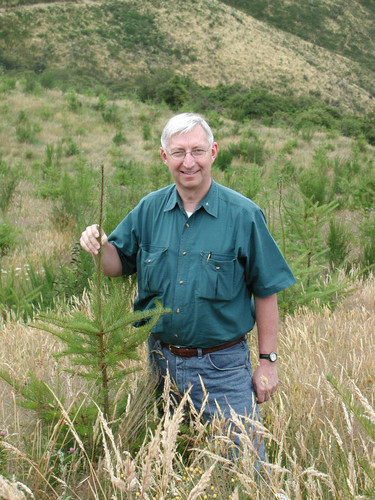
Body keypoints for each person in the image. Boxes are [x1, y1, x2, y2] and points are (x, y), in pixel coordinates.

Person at [80, 112, 296, 462]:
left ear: (213, 152)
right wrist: (99, 244)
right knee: (173, 463)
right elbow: (115, 266)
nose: (189, 162)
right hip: (160, 363)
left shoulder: (244, 215)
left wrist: (267, 361)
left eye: (197, 150)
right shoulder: (149, 209)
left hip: (222, 367)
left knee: (249, 467)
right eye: (178, 152)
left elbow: (266, 289)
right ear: (164, 157)